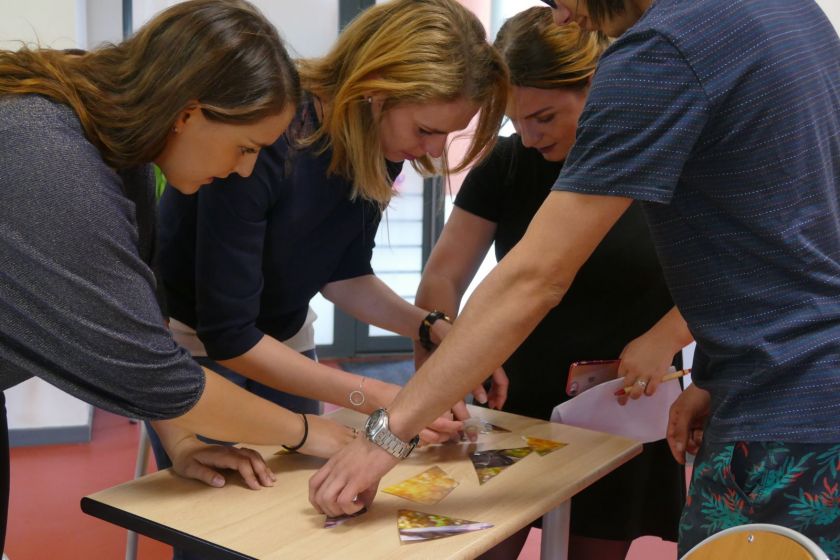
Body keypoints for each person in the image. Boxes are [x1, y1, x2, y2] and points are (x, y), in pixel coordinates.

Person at [309, 0, 840, 556]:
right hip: (783, 386)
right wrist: (719, 372)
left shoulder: (662, 53)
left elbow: (535, 278)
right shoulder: (783, 10)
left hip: (786, 410)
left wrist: (387, 435)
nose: (562, 19)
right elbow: (791, 236)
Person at [0, 0, 355, 554]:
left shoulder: (124, 152)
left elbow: (143, 327)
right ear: (189, 112)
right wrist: (314, 433)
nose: (243, 170)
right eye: (246, 148)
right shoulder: (51, 159)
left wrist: (183, 440)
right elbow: (155, 374)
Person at [150, 0, 507, 474]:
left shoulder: (382, 143)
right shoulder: (267, 135)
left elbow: (343, 273)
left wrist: (429, 324)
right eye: (426, 130)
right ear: (376, 90)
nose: (434, 150)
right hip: (194, 346)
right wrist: (381, 397)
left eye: (446, 135)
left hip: (282, 339)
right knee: (221, 521)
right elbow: (228, 333)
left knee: (298, 509)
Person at [414, 9, 688, 559]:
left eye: (545, 116)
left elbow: (727, 274)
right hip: (512, 399)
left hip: (620, 402)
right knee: (472, 543)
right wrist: (436, 362)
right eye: (518, 122)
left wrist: (665, 338)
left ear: (597, 86)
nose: (532, 136)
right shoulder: (510, 164)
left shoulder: (657, 158)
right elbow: (444, 274)